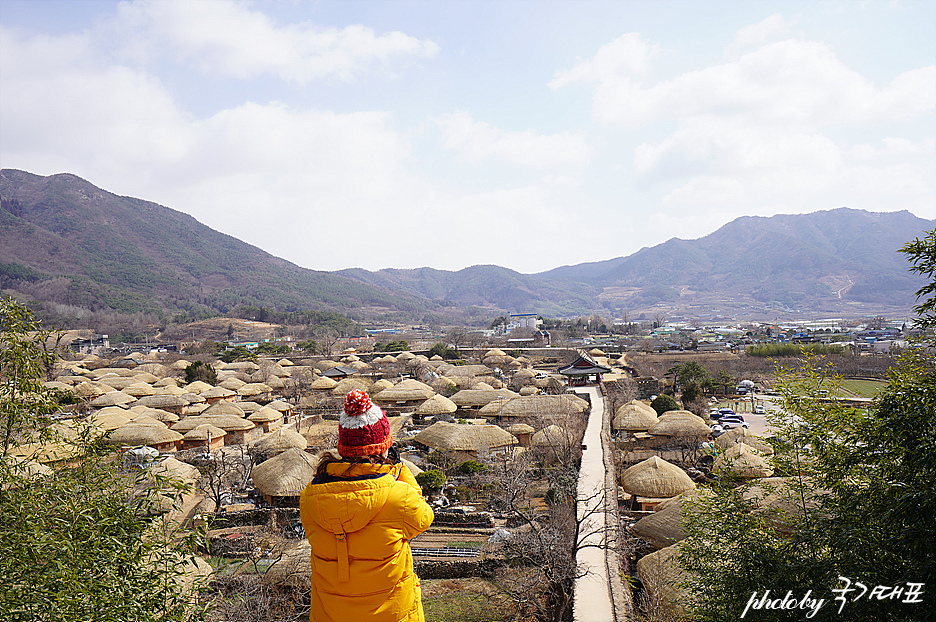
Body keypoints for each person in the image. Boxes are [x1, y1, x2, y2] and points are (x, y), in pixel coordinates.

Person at [299, 389, 434, 622]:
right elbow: (424, 517)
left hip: (331, 614)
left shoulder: (311, 497)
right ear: (382, 449)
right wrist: (400, 470)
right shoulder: (398, 496)